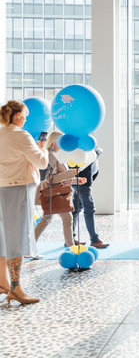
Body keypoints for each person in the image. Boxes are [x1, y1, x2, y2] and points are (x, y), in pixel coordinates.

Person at [0, 100, 48, 304]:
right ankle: (16, 288)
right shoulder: (21, 135)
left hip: (2, 186)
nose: (26, 118)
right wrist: (42, 148)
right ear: (18, 116)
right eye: (25, 115)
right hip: (18, 188)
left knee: (3, 238)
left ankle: (3, 284)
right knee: (17, 239)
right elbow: (41, 162)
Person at [35, 131, 87, 248]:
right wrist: (71, 172)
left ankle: (70, 246)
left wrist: (76, 180)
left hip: (58, 194)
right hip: (53, 194)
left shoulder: (59, 155)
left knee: (60, 219)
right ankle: (70, 246)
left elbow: (62, 177)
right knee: (54, 219)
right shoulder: (50, 156)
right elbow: (51, 179)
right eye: (61, 142)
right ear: (54, 143)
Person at [72, 147, 110, 249]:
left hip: (79, 181)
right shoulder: (83, 147)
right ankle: (94, 240)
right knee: (89, 210)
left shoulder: (83, 146)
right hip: (82, 183)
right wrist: (97, 152)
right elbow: (86, 161)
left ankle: (71, 238)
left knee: (75, 210)